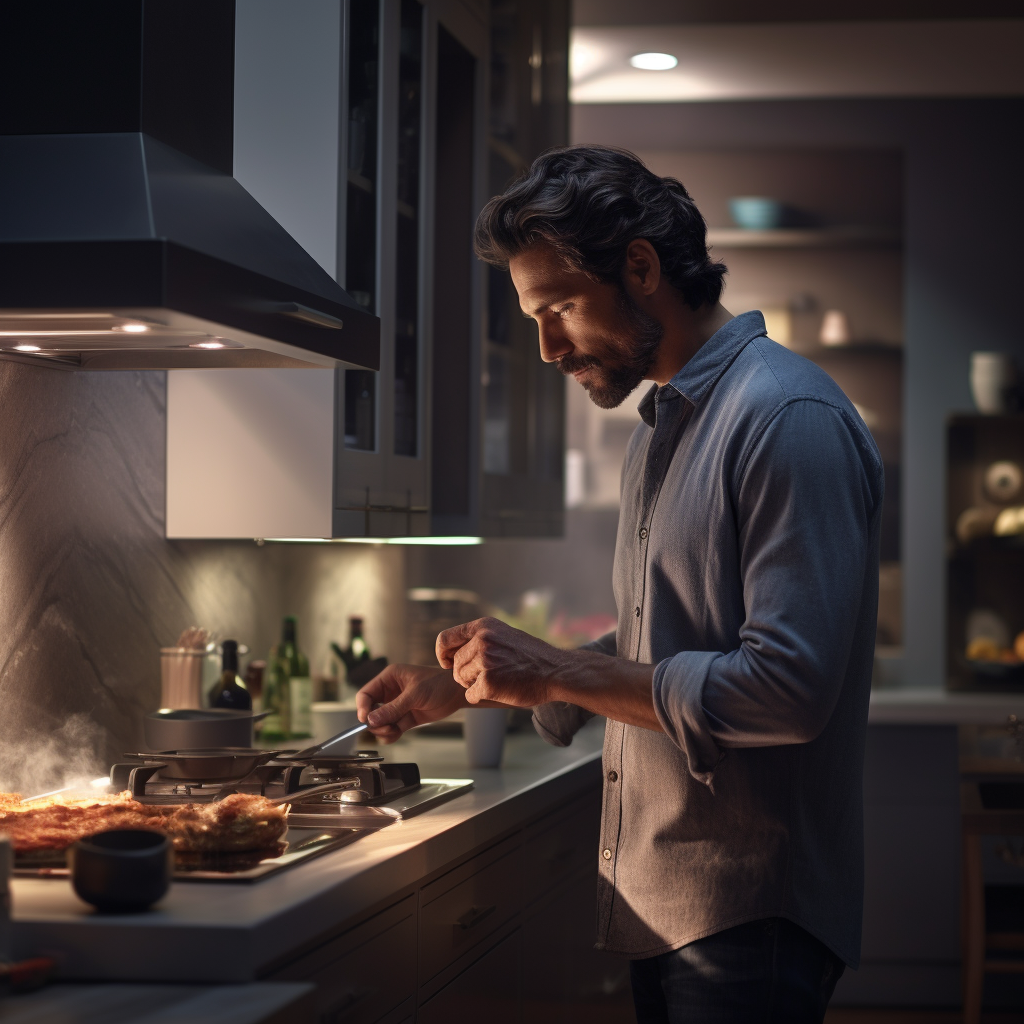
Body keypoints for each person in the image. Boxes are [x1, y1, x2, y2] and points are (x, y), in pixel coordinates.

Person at [356, 145, 883, 1023]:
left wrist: (558, 672)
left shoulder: (787, 418)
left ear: (640, 267)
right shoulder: (663, 425)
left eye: (559, 307)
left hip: (750, 907)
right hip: (671, 900)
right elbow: (658, 642)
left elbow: (790, 693)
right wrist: (469, 683)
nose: (547, 346)